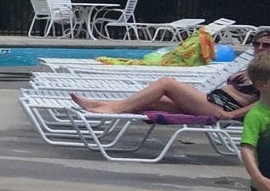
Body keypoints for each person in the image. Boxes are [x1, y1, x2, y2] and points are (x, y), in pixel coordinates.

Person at [70, 31, 270, 120]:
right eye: (257, 44)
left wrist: (232, 115)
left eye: (266, 45)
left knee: (167, 83)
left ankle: (112, 109)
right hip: (213, 101)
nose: (260, 48)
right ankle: (99, 104)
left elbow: (264, 102)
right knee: (151, 100)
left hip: (221, 109)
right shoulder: (253, 65)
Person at [230, 56, 270, 191]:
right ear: (262, 84)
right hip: (264, 184)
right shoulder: (256, 117)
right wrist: (260, 179)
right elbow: (246, 149)